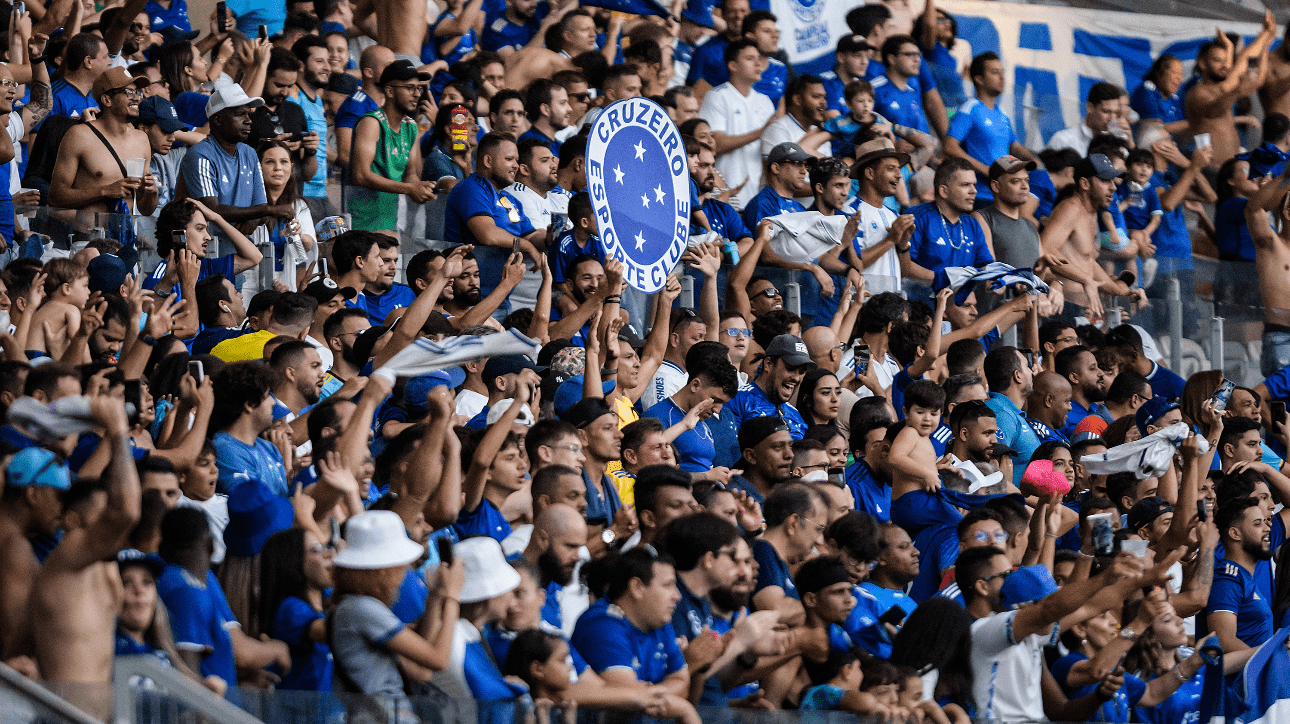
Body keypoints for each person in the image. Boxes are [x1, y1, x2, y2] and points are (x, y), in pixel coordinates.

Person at [330, 511, 463, 703]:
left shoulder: (357, 606)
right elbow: (439, 660)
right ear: (384, 571)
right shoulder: (362, 608)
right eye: (400, 566)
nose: (404, 573)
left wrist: (436, 596)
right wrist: (453, 597)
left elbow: (421, 667)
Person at [50, 68, 158, 224]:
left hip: (125, 238)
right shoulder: (79, 135)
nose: (136, 99)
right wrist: (104, 191)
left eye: (138, 93)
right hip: (89, 239)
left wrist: (151, 194)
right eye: (129, 92)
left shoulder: (141, 139)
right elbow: (55, 197)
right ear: (107, 100)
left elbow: (145, 209)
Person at [1040, 154, 1140, 320]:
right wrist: (1086, 279)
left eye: (1113, 181)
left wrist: (1120, 291)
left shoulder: (1091, 212)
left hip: (1082, 309)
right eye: (1105, 181)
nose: (1113, 187)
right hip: (1064, 309)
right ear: (1085, 183)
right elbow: (1045, 249)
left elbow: (1087, 262)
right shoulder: (1071, 208)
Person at [350, 60, 436, 236]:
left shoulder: (410, 126)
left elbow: (410, 175)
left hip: (391, 222)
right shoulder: (371, 122)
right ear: (389, 91)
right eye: (409, 88)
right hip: (362, 223)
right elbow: (360, 175)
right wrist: (410, 189)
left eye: (418, 88)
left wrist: (421, 188)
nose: (416, 94)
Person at [946, 52, 1037, 203]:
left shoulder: (1002, 114)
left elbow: (1015, 147)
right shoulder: (971, 108)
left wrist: (1035, 162)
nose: (1002, 78)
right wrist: (986, 170)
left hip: (1002, 195)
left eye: (1002, 72)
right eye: (995, 72)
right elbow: (949, 146)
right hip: (979, 194)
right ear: (979, 79)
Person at [1187, 15, 1277, 166]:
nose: (1225, 65)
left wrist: (1266, 38)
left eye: (1225, 60)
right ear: (1202, 63)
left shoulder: (1223, 87)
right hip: (1211, 169)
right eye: (1217, 60)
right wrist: (1237, 92)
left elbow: (1251, 69)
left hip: (1231, 167)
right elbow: (1213, 110)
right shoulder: (1197, 92)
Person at [698, 38, 776, 210]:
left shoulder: (765, 102)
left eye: (759, 58)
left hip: (758, 197)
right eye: (749, 58)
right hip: (724, 195)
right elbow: (714, 144)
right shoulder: (717, 96)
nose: (758, 63)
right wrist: (761, 132)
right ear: (732, 65)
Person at [258, 527, 334, 691]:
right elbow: (334, 631)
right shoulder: (291, 609)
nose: (330, 554)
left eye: (325, 547)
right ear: (293, 563)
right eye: (316, 550)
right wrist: (349, 576)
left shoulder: (320, 608)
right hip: (299, 715)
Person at [1206, 496, 1275, 651]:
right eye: (1258, 524)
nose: (1267, 528)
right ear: (1235, 533)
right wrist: (1268, 662)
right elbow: (1223, 641)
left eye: (1265, 522)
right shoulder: (1227, 580)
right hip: (1240, 676)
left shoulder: (1242, 577)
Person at [847, 140, 915, 295]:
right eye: (891, 169)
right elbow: (855, 263)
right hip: (864, 307)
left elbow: (904, 271)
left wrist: (903, 244)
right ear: (870, 173)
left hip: (894, 306)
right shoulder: (851, 211)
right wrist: (890, 240)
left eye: (898, 169)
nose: (899, 175)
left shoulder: (893, 214)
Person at [288, 35, 331, 218]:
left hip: (321, 191)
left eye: (328, 61)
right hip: (302, 193)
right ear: (301, 65)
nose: (327, 67)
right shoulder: (292, 99)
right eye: (319, 61)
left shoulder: (318, 100)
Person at [1046, 82, 1127, 156]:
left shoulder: (1116, 140)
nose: (1112, 118)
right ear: (1090, 107)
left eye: (1116, 113)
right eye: (1106, 111)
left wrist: (1130, 145)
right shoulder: (1062, 141)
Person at [50, 33, 110, 121]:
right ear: (88, 62)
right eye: (105, 57)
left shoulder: (99, 96)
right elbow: (35, 134)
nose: (110, 62)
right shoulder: (54, 96)